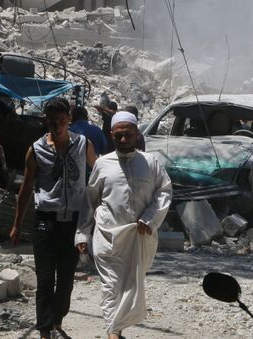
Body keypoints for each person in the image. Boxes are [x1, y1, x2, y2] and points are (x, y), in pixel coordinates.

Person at [75, 111, 172, 339]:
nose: (123, 140)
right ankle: (113, 333)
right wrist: (82, 234)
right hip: (107, 236)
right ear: (111, 135)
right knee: (110, 286)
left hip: (140, 238)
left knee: (130, 286)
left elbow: (164, 191)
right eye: (118, 136)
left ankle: (116, 328)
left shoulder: (151, 163)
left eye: (128, 135)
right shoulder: (102, 164)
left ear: (137, 134)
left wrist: (150, 219)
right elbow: (90, 200)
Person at [9, 98, 97, 339]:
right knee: (45, 278)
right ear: (45, 121)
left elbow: (100, 173)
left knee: (66, 279)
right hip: (45, 220)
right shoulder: (36, 149)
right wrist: (16, 224)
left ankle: (57, 321)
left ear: (69, 119)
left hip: (73, 222)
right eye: (52, 123)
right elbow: (26, 188)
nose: (57, 127)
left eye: (61, 122)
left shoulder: (83, 145)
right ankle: (45, 330)